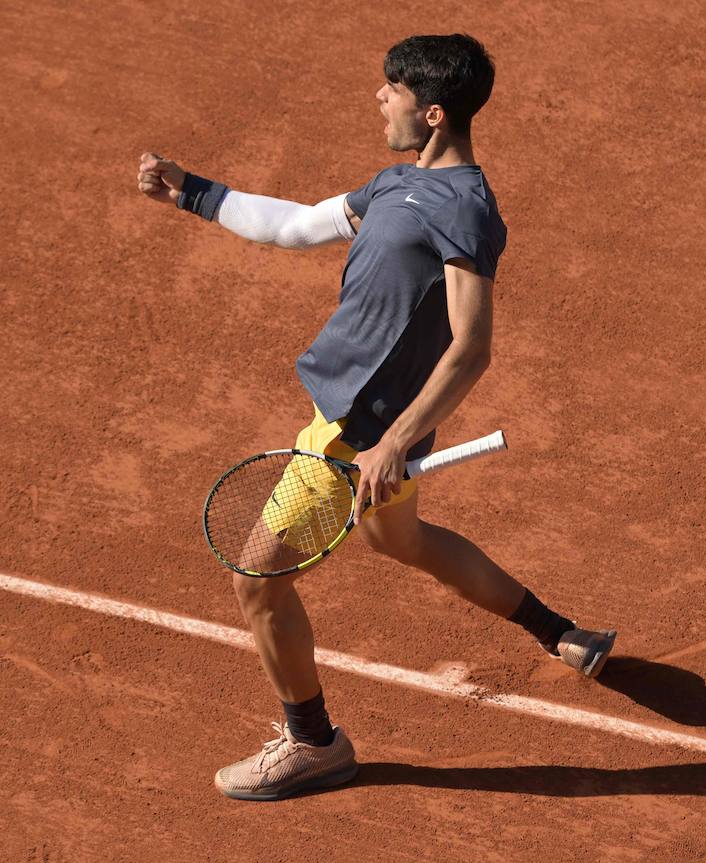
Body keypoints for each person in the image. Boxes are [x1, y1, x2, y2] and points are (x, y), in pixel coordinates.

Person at [136, 33, 616, 801]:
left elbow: (473, 345)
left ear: (431, 113)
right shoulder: (397, 184)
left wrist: (390, 442)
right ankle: (558, 630)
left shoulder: (464, 211)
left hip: (354, 434)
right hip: (373, 431)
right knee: (404, 539)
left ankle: (314, 743)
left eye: (390, 90)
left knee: (256, 582)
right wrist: (192, 191)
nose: (378, 99)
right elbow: (294, 227)